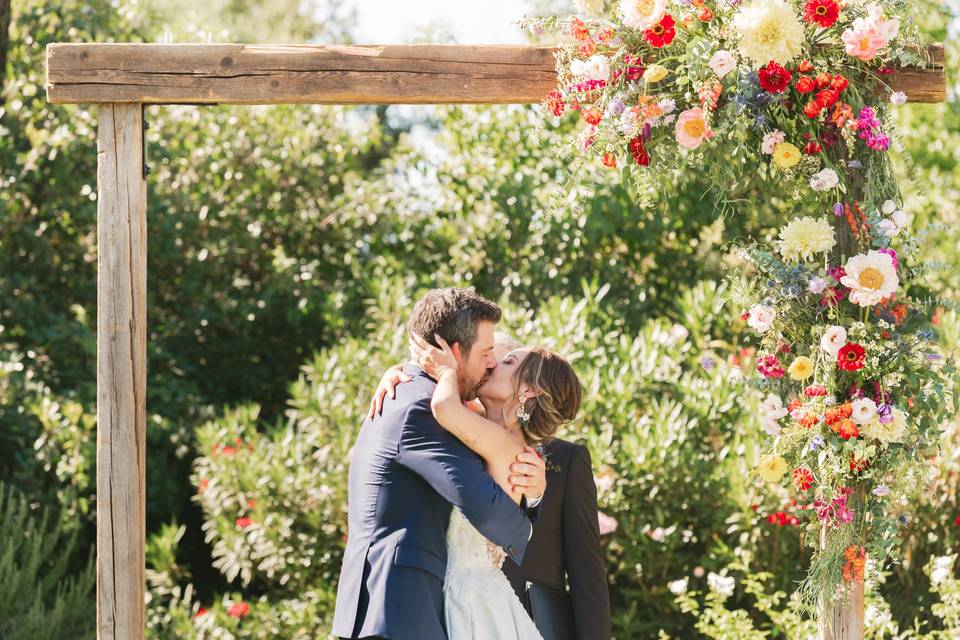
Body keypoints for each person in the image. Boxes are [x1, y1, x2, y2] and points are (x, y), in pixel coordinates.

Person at [333, 288, 549, 640]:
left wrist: (534, 490)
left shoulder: (418, 396)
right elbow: (487, 509)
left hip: (407, 610)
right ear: (454, 352)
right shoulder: (422, 409)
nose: (492, 362)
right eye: (485, 353)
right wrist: (527, 522)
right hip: (394, 611)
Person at [372, 333, 610, 640]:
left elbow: (587, 572)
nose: (491, 365)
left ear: (527, 390)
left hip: (481, 607)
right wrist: (401, 376)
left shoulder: (513, 447)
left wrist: (443, 371)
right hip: (446, 600)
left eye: (505, 361)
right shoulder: (469, 431)